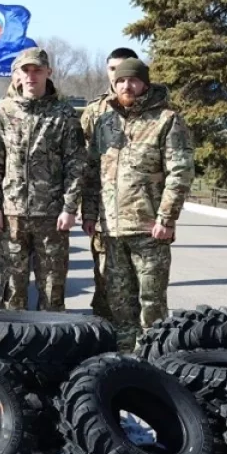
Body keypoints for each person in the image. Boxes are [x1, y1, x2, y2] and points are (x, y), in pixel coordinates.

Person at [82, 58, 194, 350]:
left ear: (145, 83)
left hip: (148, 229)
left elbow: (180, 172)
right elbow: (92, 172)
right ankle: (125, 359)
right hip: (112, 229)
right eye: (121, 81)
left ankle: (154, 358)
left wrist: (166, 218)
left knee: (151, 304)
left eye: (133, 80)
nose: (126, 86)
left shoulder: (166, 120)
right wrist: (90, 213)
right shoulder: (105, 123)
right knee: (120, 302)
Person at [0, 47, 86, 312]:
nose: (31, 76)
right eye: (26, 70)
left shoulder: (64, 115)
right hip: (12, 215)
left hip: (51, 216)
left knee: (52, 292)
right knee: (12, 293)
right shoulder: (3, 113)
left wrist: (69, 207)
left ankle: (51, 338)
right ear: (17, 74)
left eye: (37, 70)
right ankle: (13, 338)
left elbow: (75, 165)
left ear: (48, 73)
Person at [78, 46, 139, 320]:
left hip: (139, 213)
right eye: (113, 69)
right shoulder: (94, 111)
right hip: (105, 212)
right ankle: (103, 329)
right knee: (103, 277)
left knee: (137, 283)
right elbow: (86, 164)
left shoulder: (153, 110)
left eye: (125, 69)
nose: (118, 76)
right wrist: (87, 211)